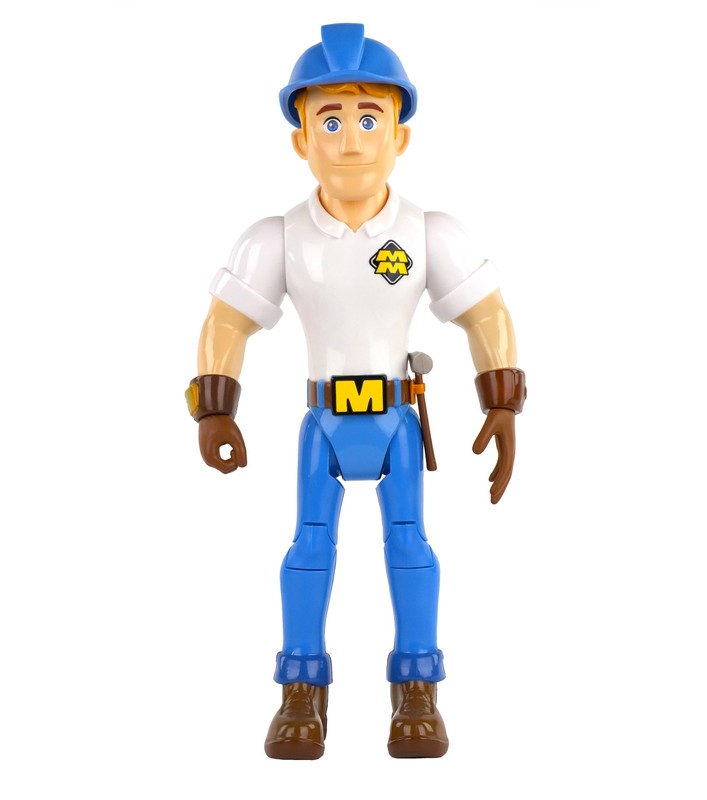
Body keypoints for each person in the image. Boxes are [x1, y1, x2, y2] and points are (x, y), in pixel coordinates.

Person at [186, 23, 526, 759]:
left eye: (369, 119)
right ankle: (301, 687)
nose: (349, 141)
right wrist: (215, 408)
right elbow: (227, 321)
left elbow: (486, 314)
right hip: (325, 421)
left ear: (399, 136)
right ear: (301, 139)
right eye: (330, 120)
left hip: (398, 418)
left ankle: (418, 686)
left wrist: (502, 403)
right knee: (309, 550)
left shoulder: (429, 233)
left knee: (411, 549)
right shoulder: (278, 238)